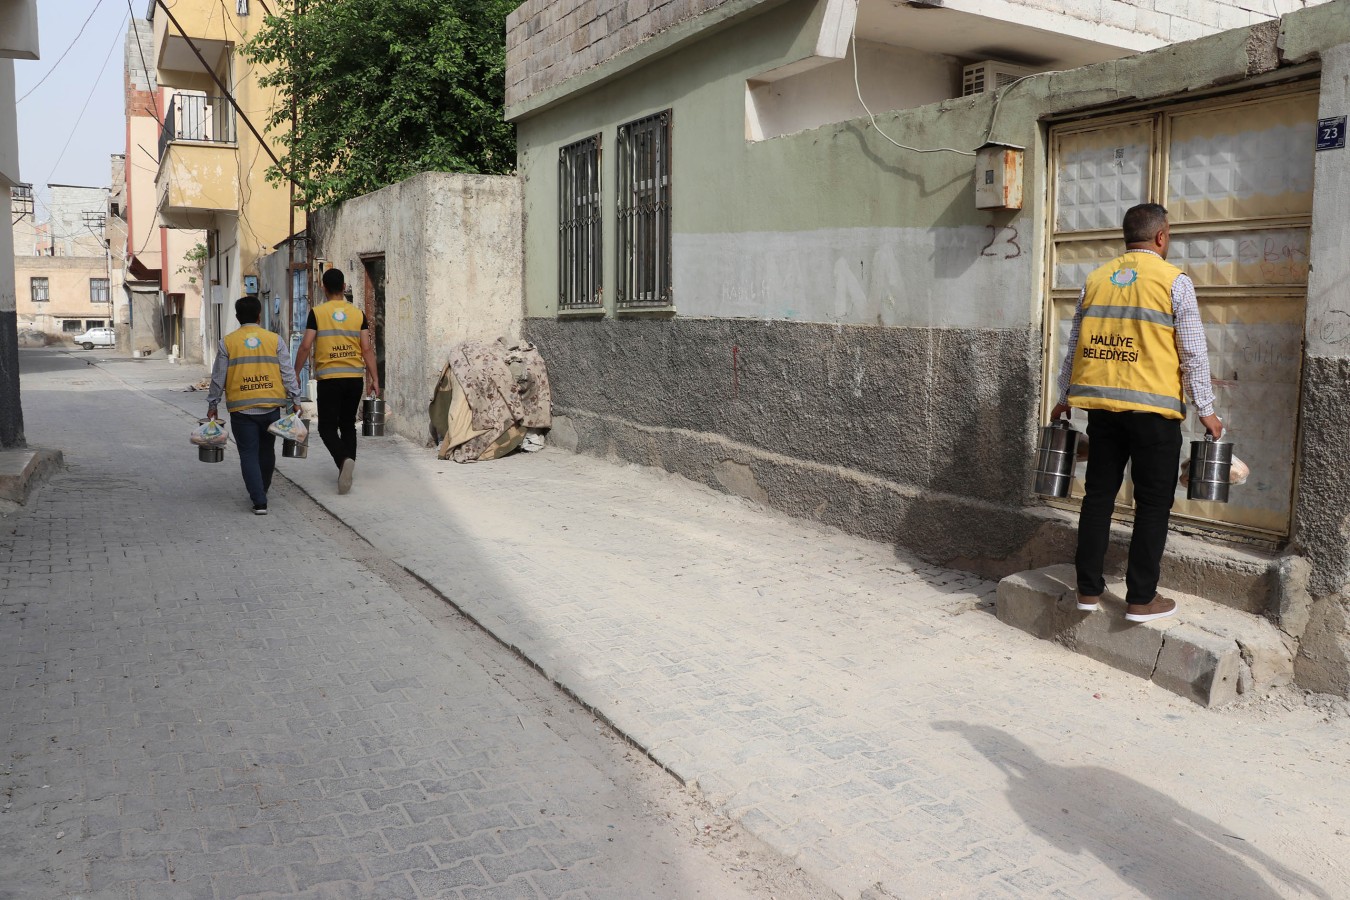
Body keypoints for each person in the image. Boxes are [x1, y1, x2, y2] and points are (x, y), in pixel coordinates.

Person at [1050, 203, 1223, 623]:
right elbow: (1193, 351)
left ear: (1126, 237)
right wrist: (1207, 409)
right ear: (1161, 237)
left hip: (1104, 413)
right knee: (1152, 506)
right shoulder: (1174, 282)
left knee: (1097, 500)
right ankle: (1141, 599)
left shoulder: (1095, 280)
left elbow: (1074, 344)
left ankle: (1087, 591)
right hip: (1155, 415)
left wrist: (1064, 395)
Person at [206, 296, 303, 515]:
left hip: (242, 411)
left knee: (248, 454)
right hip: (271, 408)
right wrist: (295, 399)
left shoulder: (227, 342)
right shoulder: (274, 340)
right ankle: (262, 489)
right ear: (260, 315)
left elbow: (218, 377)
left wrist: (213, 404)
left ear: (238, 317)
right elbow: (287, 373)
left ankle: (259, 500)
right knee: (266, 450)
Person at [293, 268, 380, 495]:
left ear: (324, 287)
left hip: (329, 379)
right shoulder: (358, 313)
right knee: (348, 424)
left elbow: (305, 346)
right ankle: (347, 464)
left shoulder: (317, 313)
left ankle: (343, 461)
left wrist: (294, 374)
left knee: (326, 428)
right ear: (343, 288)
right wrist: (375, 379)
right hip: (354, 378)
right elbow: (367, 348)